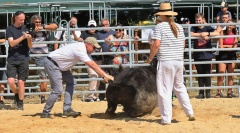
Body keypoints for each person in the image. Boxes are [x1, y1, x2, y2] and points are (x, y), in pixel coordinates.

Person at [146, 3, 195, 125]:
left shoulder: (160, 27)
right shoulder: (178, 26)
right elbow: (183, 44)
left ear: (161, 16)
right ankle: (189, 112)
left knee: (164, 90)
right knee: (179, 87)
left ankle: (166, 118)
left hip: (165, 61)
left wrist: (150, 58)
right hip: (178, 61)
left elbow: (156, 44)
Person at [40, 37, 114, 118]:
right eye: (94, 47)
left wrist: (103, 75)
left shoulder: (83, 50)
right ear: (88, 45)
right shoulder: (80, 50)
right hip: (53, 63)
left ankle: (67, 109)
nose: (94, 49)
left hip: (59, 65)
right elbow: (92, 65)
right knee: (58, 90)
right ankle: (45, 112)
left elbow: (92, 64)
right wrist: (104, 75)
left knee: (71, 82)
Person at [6, 11, 33, 110]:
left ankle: (20, 103)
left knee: (21, 82)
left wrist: (29, 38)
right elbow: (12, 44)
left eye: (24, 19)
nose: (23, 21)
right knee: (11, 81)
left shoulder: (26, 28)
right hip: (12, 58)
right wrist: (23, 37)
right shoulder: (9, 29)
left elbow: (30, 46)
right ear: (15, 18)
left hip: (24, 58)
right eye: (21, 19)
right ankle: (17, 95)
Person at [29, 14, 58, 103]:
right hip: (29, 54)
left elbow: (55, 26)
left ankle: (43, 97)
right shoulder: (28, 29)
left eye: (39, 22)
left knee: (43, 77)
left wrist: (42, 27)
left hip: (42, 55)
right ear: (32, 22)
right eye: (36, 22)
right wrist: (32, 31)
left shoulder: (44, 29)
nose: (38, 24)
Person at [190, 13, 219, 99]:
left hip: (207, 54)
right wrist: (201, 35)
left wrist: (207, 34)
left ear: (203, 20)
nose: (198, 22)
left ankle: (208, 92)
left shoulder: (208, 27)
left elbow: (217, 32)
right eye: (196, 20)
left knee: (207, 73)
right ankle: (201, 92)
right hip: (197, 54)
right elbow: (190, 34)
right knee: (200, 74)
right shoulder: (194, 27)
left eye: (199, 20)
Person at [73, 20, 101, 102]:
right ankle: (90, 95)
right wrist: (76, 36)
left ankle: (95, 95)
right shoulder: (84, 34)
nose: (92, 28)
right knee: (93, 75)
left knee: (98, 76)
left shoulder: (97, 35)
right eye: (90, 26)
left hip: (97, 58)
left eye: (93, 27)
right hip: (88, 58)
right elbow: (79, 40)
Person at [216, 21, 238, 98]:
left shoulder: (235, 34)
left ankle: (229, 92)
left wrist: (226, 47)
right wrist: (230, 47)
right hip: (223, 55)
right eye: (228, 25)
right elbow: (220, 46)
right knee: (221, 74)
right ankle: (219, 92)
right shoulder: (222, 32)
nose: (229, 26)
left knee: (230, 75)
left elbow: (235, 47)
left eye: (231, 25)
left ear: (234, 26)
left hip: (232, 55)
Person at [97, 19, 115, 101]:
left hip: (113, 57)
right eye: (103, 25)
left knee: (113, 75)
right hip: (103, 56)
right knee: (103, 75)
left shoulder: (114, 32)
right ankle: (101, 95)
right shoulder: (98, 34)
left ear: (109, 24)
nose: (104, 26)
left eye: (106, 24)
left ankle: (113, 94)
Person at [0, 32, 6, 104]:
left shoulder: (1, 33)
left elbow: (4, 40)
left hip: (1, 61)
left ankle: (1, 99)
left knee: (2, 81)